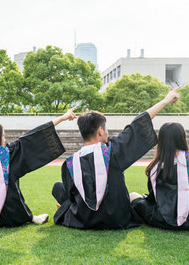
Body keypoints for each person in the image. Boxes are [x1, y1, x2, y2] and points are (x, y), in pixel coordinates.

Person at [52, 88, 181, 229]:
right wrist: (165, 100)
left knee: (58, 187)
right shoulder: (112, 150)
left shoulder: (70, 163)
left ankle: (63, 210)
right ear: (100, 130)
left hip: (84, 218)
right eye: (105, 129)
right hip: (117, 217)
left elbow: (71, 197)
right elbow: (137, 125)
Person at [0, 108, 77, 227]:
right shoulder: (6, 156)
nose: (4, 139)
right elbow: (33, 136)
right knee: (9, 179)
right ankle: (30, 216)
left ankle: (30, 216)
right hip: (9, 217)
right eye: (3, 135)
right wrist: (62, 118)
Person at [130, 123, 189, 230]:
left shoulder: (154, 168)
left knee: (133, 195)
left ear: (161, 141)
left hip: (162, 220)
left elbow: (153, 199)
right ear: (182, 138)